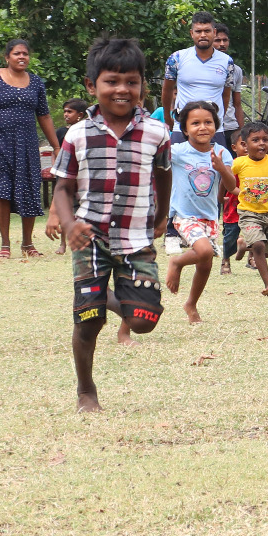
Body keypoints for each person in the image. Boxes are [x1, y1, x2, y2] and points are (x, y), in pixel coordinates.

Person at [52, 37, 172, 413]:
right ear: (92, 86)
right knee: (88, 321)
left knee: (144, 320)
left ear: (142, 87)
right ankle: (86, 391)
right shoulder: (77, 135)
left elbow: (164, 175)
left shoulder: (156, 133)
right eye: (111, 81)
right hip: (90, 238)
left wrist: (161, 215)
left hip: (137, 238)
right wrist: (69, 222)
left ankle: (102, 296)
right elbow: (62, 187)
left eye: (131, 81)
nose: (122, 89)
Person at [0, 39, 61, 259]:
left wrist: (56, 146)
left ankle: (27, 243)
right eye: (17, 53)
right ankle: (5, 245)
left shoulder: (36, 82)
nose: (22, 57)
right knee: (1, 192)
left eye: (25, 53)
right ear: (7, 57)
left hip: (27, 147)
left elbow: (44, 116)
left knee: (29, 192)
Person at [165, 101, 235, 324]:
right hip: (184, 215)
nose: (203, 127)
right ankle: (176, 263)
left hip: (210, 216)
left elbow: (231, 185)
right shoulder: (177, 152)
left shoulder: (222, 153)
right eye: (195, 123)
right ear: (185, 130)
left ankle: (191, 304)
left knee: (205, 263)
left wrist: (221, 168)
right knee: (204, 251)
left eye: (208, 122)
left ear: (216, 126)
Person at [232, 120, 268, 296]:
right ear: (245, 144)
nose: (262, 143)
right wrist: (222, 195)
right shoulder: (239, 163)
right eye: (256, 140)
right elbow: (226, 180)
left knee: (265, 250)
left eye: (265, 139)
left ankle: (245, 245)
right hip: (248, 212)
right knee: (258, 245)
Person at [160, 12, 236, 143]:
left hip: (214, 130)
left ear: (214, 32)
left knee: (217, 157)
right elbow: (167, 89)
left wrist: (217, 119)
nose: (203, 35)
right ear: (191, 33)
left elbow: (226, 95)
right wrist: (167, 117)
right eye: (198, 31)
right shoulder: (177, 58)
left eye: (207, 31)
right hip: (182, 128)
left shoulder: (227, 62)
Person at [44, 98, 90, 254]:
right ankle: (63, 243)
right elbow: (56, 152)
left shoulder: (85, 131)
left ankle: (83, 239)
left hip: (82, 176)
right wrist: (55, 169)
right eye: (64, 111)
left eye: (70, 111)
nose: (66, 114)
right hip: (65, 175)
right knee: (65, 208)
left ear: (80, 114)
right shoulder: (61, 132)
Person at [212, 23, 246, 150]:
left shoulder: (236, 70)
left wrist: (242, 132)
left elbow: (237, 103)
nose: (222, 44)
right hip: (210, 126)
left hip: (230, 127)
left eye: (225, 40)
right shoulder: (202, 68)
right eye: (217, 40)